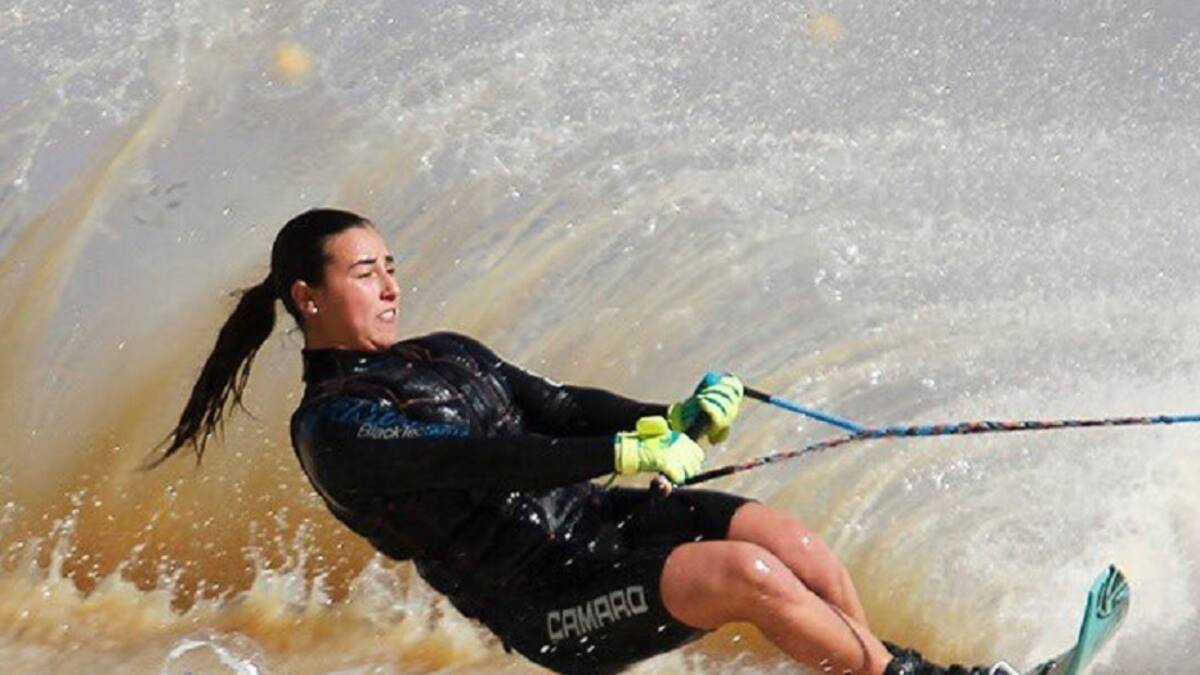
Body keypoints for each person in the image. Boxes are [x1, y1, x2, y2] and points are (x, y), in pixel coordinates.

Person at [151, 208, 1016, 675]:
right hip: (548, 602)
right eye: (364, 270)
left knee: (787, 542)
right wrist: (630, 456)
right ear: (307, 296)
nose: (389, 284)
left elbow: (557, 407)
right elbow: (478, 460)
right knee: (745, 575)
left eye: (391, 264)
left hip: (599, 528)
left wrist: (672, 416)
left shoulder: (448, 351)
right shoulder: (334, 424)